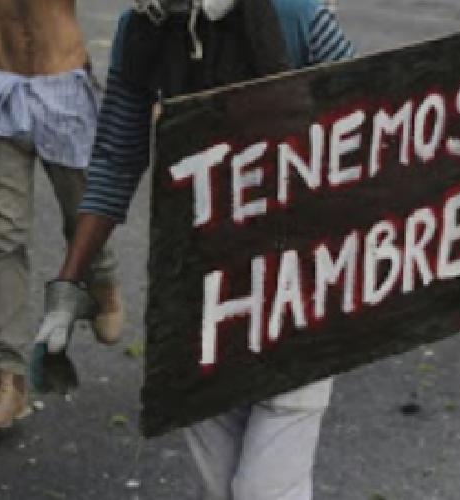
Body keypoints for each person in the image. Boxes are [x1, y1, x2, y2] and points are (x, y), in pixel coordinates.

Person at [38, 0, 355, 497]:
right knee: (219, 485)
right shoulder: (143, 28)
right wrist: (68, 286)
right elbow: (117, 159)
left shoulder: (297, 14)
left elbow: (370, 123)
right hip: (202, 293)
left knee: (264, 490)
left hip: (299, 288)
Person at [0, 0, 125, 431]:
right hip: (1, 91)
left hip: (65, 88)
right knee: (4, 235)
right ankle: (6, 377)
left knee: (85, 214)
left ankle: (102, 279)